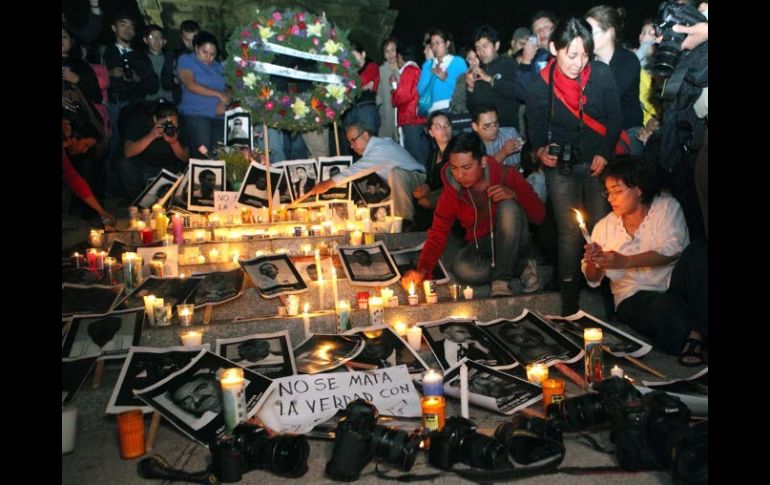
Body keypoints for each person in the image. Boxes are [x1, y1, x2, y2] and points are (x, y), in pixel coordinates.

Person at [526, 17, 623, 315]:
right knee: (569, 232)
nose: (579, 63)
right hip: (562, 167)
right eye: (572, 55)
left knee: (601, 228)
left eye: (585, 55)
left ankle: (609, 296)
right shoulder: (540, 84)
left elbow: (615, 119)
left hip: (596, 163)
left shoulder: (602, 75)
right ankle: (569, 302)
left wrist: (605, 153)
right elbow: (535, 131)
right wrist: (542, 152)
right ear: (555, 47)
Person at [582, 156, 707, 367]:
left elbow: (673, 251)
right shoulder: (604, 226)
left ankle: (695, 332)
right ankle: (695, 329)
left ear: (639, 189)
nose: (611, 198)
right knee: (671, 316)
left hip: (673, 284)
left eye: (618, 190)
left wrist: (624, 261)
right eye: (608, 192)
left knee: (699, 251)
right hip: (633, 296)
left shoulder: (666, 207)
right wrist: (595, 261)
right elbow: (592, 278)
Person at [401, 132, 544, 298]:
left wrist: (515, 195)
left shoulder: (507, 175)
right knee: (463, 270)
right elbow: (437, 234)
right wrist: (422, 270)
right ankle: (519, 266)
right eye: (454, 168)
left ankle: (501, 280)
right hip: (482, 247)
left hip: (514, 240)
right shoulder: (452, 192)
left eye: (467, 168)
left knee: (508, 206)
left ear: (482, 161)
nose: (460, 175)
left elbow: (539, 215)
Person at [308, 121, 426, 223]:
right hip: (397, 185)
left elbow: (355, 170)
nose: (351, 146)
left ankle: (405, 222)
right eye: (349, 142)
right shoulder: (375, 149)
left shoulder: (380, 148)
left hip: (416, 179)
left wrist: (328, 183)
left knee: (396, 173)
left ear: (365, 134)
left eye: (353, 140)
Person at [121, 100, 189, 200]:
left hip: (171, 168)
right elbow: (128, 152)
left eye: (173, 124)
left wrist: (174, 143)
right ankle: (136, 202)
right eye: (165, 124)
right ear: (155, 119)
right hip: (145, 167)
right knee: (124, 164)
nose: (169, 127)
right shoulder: (141, 122)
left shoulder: (180, 127)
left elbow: (186, 158)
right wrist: (151, 135)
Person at [177, 31, 229, 155]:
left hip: (219, 116)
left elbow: (228, 87)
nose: (208, 57)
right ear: (196, 48)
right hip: (197, 115)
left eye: (212, 54)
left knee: (221, 157)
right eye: (204, 52)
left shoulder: (218, 66)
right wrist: (219, 95)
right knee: (204, 157)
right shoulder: (186, 60)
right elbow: (190, 85)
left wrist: (226, 100)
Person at [498, 323, 563, 365]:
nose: (526, 336)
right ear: (510, 342)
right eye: (515, 336)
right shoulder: (522, 360)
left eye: (527, 332)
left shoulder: (557, 347)